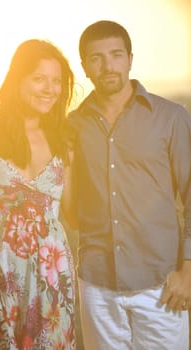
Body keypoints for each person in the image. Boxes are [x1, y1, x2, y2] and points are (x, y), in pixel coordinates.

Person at [66, 20, 191, 349]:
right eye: (96, 58)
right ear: (85, 67)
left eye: (116, 55)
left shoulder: (171, 117)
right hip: (96, 286)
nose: (108, 66)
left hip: (161, 285)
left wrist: (188, 272)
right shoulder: (72, 126)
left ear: (130, 59)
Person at [0, 39, 76, 349]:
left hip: (53, 275)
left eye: (56, 81)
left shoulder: (66, 145)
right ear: (17, 80)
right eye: (39, 78)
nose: (50, 89)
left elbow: (75, 215)